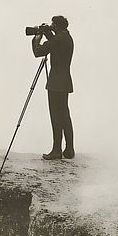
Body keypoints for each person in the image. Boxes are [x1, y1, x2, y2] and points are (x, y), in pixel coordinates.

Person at [32, 15, 74, 160]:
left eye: (52, 25)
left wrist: (37, 38)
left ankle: (56, 150)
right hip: (65, 81)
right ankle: (69, 150)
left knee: (56, 116)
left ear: (56, 26)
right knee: (65, 116)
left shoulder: (58, 39)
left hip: (56, 83)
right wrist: (49, 34)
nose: (51, 26)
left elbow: (38, 52)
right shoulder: (66, 37)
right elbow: (57, 46)